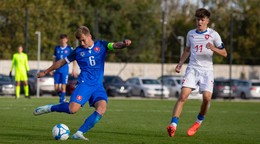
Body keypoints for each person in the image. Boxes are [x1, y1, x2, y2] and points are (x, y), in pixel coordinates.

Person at [33, 26, 131, 140]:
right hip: (84, 84)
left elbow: (115, 45)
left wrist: (124, 44)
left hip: (98, 86)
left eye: (83, 40)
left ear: (89, 36)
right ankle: (50, 108)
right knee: (72, 109)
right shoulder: (78, 51)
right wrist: (45, 71)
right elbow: (61, 62)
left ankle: (79, 133)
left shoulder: (102, 45)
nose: (82, 43)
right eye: (80, 41)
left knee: (102, 108)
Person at [166, 8, 227, 137]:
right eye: (197, 19)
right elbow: (187, 50)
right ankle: (173, 125)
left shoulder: (214, 34)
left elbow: (224, 53)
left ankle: (198, 122)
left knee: (206, 98)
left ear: (207, 21)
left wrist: (213, 48)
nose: (199, 22)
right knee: (183, 96)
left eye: (202, 20)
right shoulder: (190, 34)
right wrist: (180, 64)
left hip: (207, 71)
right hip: (192, 69)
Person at [53, 34, 76, 103]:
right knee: (56, 88)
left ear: (67, 40)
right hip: (57, 70)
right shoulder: (57, 48)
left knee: (63, 87)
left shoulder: (69, 49)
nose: (63, 41)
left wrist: (73, 69)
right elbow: (54, 59)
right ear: (60, 40)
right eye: (62, 39)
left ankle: (62, 101)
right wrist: (52, 68)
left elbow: (74, 59)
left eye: (64, 39)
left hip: (65, 70)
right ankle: (63, 98)